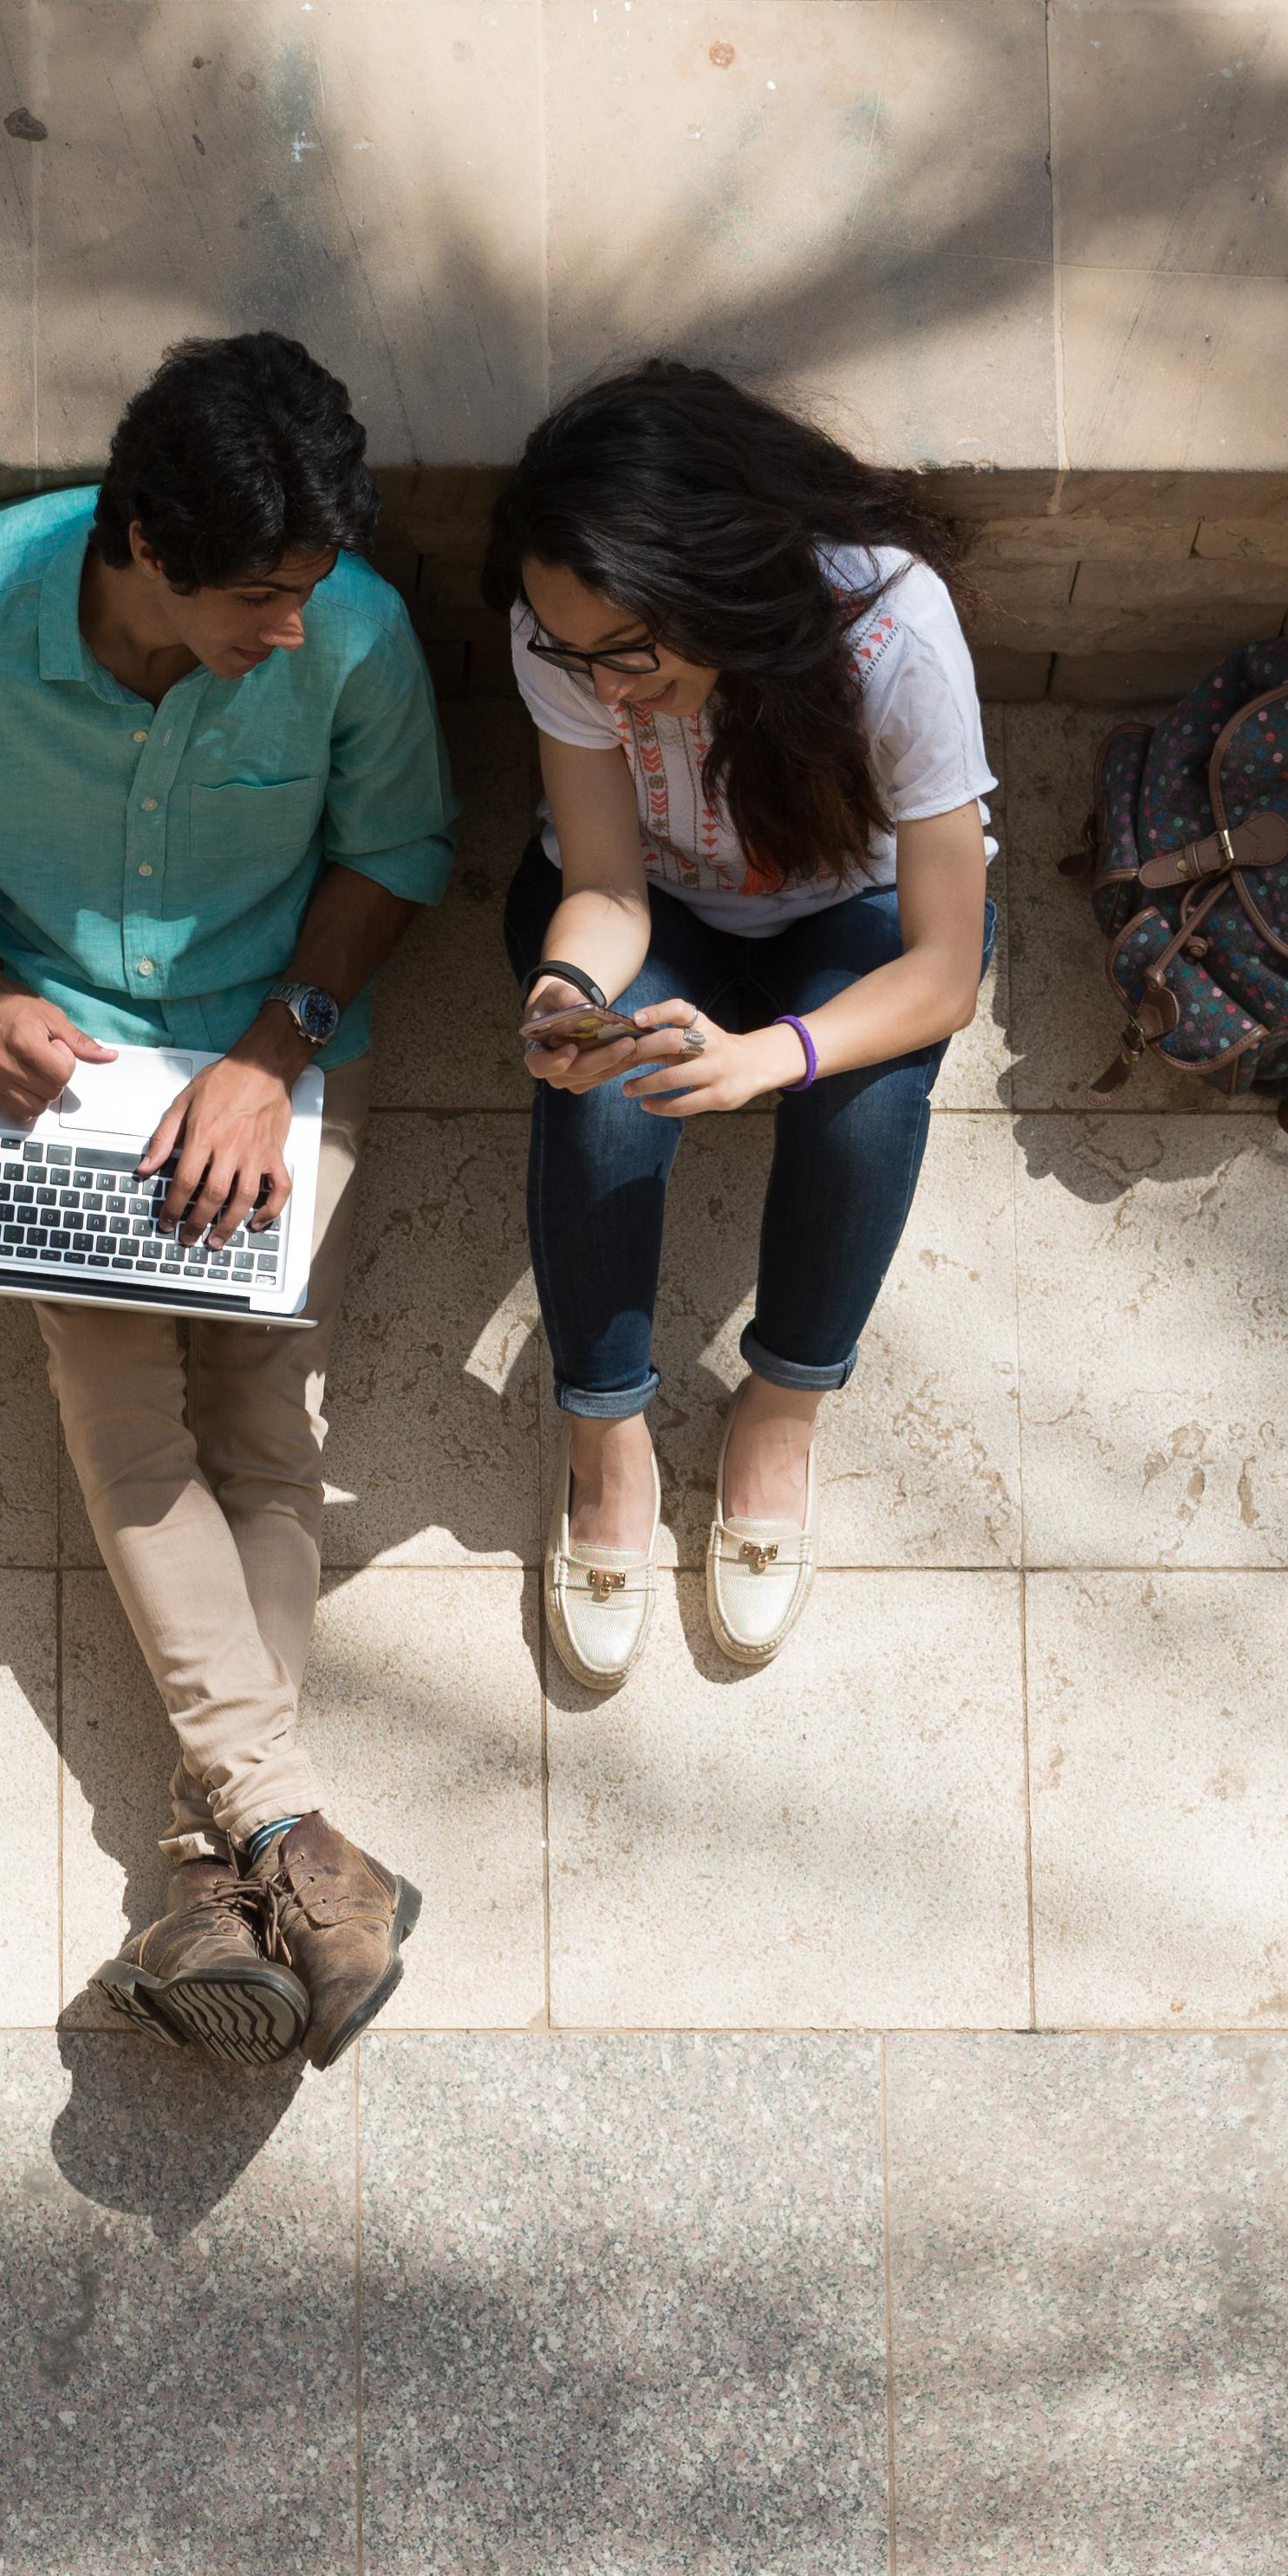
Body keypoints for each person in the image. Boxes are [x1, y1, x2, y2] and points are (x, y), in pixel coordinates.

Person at [0, 335, 457, 2069]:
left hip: (281, 1038)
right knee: (123, 1404)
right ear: (143, 546)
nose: (294, 630)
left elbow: (397, 851)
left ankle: (216, 1871)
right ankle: (291, 1848)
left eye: (309, 589)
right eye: (259, 597)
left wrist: (274, 1048)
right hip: (66, 1065)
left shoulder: (355, 634)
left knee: (271, 1415)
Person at [494, 362, 997, 1679]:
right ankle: (605, 1433)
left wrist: (769, 1058)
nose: (606, 692)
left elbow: (945, 966)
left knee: (867, 1097)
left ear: (712, 576)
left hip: (854, 916)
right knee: (604, 1090)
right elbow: (605, 883)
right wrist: (568, 992)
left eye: (629, 654)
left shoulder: (891, 628)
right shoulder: (561, 630)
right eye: (574, 657)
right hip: (651, 906)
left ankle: (783, 1404)